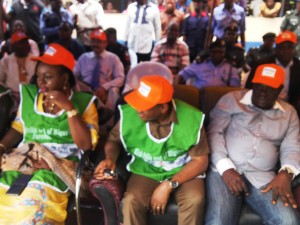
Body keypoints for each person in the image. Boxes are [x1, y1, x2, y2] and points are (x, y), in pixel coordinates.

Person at [0, 43, 99, 224]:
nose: (41, 83)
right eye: (38, 77)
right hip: (25, 162)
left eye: (48, 77)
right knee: (5, 200)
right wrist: (1, 146)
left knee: (31, 207)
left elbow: (86, 144)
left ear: (65, 78)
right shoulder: (30, 96)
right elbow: (19, 128)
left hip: (57, 168)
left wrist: (69, 108)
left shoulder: (84, 102)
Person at [93, 75, 209, 225]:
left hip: (183, 170)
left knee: (195, 199)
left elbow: (201, 161)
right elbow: (113, 140)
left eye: (144, 105)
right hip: (146, 169)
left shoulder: (192, 118)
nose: (137, 109)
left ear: (162, 107)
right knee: (131, 201)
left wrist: (169, 184)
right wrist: (110, 158)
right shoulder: (130, 114)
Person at [205, 63, 300, 225]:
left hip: (263, 176)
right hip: (223, 172)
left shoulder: (289, 113)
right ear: (252, 84)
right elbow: (214, 134)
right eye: (259, 86)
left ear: (280, 89)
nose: (263, 92)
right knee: (219, 222)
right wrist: (226, 169)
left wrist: (286, 173)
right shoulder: (231, 100)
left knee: (288, 221)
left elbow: (292, 146)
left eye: (269, 88)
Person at [245, 31, 300, 117]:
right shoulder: (262, 64)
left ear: (294, 49)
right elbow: (249, 87)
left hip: (290, 108)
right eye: (282, 47)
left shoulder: (298, 66)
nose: (286, 51)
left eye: (289, 47)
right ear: (276, 48)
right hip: (263, 107)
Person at [74, 29, 125, 111]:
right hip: (86, 89)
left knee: (114, 90)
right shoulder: (84, 58)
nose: (96, 44)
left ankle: (110, 116)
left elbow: (120, 78)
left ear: (105, 43)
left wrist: (105, 87)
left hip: (106, 91)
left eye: (99, 42)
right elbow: (75, 75)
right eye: (93, 41)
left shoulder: (113, 58)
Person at [176, 40, 240, 88]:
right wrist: (176, 90)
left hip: (221, 100)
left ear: (224, 53)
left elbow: (234, 88)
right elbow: (181, 75)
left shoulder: (230, 67)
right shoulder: (200, 64)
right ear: (210, 53)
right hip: (201, 99)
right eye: (215, 52)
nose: (217, 54)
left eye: (220, 52)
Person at [0, 31, 37, 111]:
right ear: (13, 46)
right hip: (11, 97)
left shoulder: (35, 60)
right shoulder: (5, 61)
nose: (25, 45)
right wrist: (9, 92)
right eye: (21, 43)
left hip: (32, 96)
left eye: (26, 42)